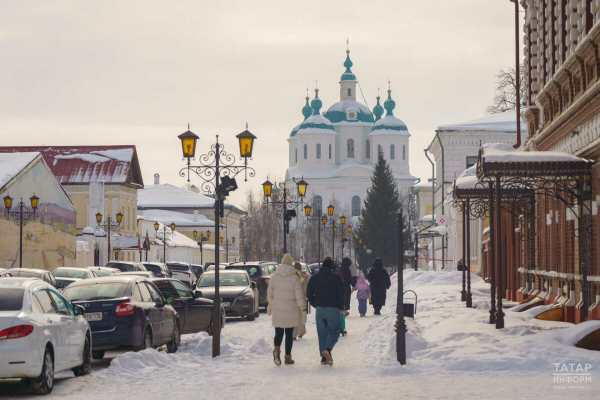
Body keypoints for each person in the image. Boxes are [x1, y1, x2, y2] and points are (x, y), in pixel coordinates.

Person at [267, 254, 306, 366]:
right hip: (290, 310)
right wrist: (303, 309)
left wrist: (270, 305)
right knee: (289, 334)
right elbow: (299, 296)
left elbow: (270, 294)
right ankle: (287, 357)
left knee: (278, 333)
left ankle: (276, 348)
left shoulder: (274, 277)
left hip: (277, 310)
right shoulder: (294, 277)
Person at [306, 257, 345, 365]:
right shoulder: (336, 278)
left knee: (322, 333)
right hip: (333, 308)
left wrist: (315, 304)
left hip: (320, 309)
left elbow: (309, 293)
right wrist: (341, 307)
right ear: (331, 267)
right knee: (334, 332)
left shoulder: (314, 278)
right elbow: (342, 293)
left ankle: (324, 358)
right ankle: (327, 349)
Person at [292, 261, 308, 340]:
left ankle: (293, 334)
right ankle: (301, 332)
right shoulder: (303, 276)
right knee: (300, 316)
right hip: (301, 298)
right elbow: (305, 289)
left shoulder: (291, 276)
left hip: (292, 299)